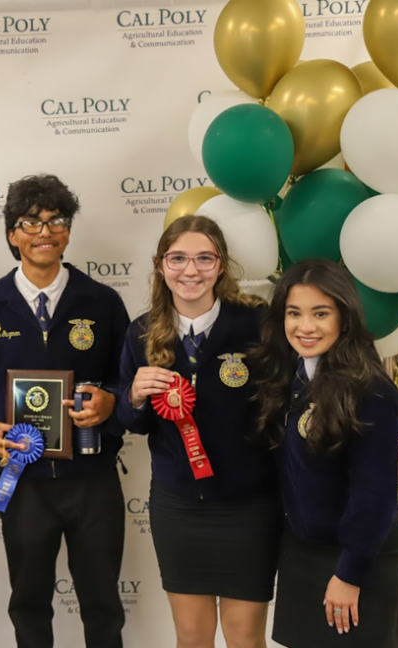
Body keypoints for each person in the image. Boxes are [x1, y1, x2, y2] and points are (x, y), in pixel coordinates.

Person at [0, 174, 130, 648]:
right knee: (29, 604)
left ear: (69, 230)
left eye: (56, 220)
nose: (44, 232)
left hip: (93, 478)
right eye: (30, 223)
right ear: (12, 234)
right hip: (22, 483)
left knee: (102, 604)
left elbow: (126, 377)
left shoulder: (102, 302)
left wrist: (112, 401)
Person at [116, 215, 281, 648]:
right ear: (160, 264)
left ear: (222, 265)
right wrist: (132, 396)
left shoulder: (257, 323)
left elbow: (281, 407)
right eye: (179, 259)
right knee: (191, 637)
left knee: (245, 637)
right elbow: (130, 423)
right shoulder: (141, 331)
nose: (191, 271)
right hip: (180, 507)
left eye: (204, 258)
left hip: (248, 506)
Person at [249, 258, 398, 647]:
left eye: (321, 313)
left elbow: (375, 496)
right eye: (294, 313)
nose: (305, 327)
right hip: (303, 550)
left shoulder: (372, 390)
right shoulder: (291, 376)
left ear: (345, 317)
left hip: (356, 555)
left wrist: (350, 574)